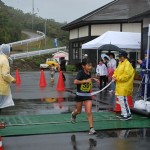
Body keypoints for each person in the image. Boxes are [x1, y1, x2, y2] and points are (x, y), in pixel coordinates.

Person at [71, 60, 99, 135]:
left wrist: (93, 79)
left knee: (89, 112)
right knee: (78, 111)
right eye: (88, 65)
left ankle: (91, 129)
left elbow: (88, 79)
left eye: (91, 65)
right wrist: (86, 81)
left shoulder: (89, 73)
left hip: (87, 95)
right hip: (80, 95)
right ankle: (74, 114)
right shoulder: (80, 73)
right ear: (83, 66)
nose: (90, 67)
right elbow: (75, 82)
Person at [112, 51, 135, 120]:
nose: (119, 58)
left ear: (124, 57)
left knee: (123, 100)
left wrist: (117, 78)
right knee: (121, 100)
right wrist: (114, 76)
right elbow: (116, 71)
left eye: (120, 57)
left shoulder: (127, 64)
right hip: (120, 85)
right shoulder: (121, 63)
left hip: (124, 85)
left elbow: (126, 76)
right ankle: (124, 113)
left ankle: (127, 115)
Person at [0, 44, 16, 127]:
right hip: (1, 86)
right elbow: (5, 74)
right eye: (10, 51)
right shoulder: (5, 59)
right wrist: (13, 79)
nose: (11, 53)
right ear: (7, 51)